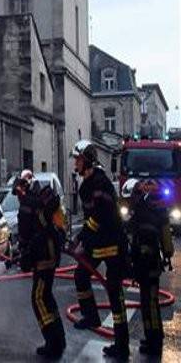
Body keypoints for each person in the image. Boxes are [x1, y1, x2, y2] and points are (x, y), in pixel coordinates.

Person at [69, 139, 130, 359]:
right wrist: (81, 238)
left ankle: (122, 345)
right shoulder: (87, 184)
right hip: (98, 243)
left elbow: (100, 217)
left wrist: (81, 238)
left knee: (115, 295)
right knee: (80, 275)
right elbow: (90, 220)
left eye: (78, 159)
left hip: (112, 244)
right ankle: (91, 316)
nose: (75, 163)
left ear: (87, 160)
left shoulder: (100, 183)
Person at [13, 169, 66, 359]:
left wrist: (24, 254)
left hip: (44, 256)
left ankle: (53, 342)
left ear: (22, 190)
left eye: (17, 193)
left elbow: (27, 236)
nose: (17, 197)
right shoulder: (39, 202)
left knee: (38, 298)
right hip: (50, 253)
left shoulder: (27, 206)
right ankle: (59, 339)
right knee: (46, 296)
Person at [127, 179, 174, 356]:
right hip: (151, 263)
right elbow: (167, 245)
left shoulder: (142, 210)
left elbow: (132, 234)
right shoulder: (160, 212)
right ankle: (153, 337)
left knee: (149, 303)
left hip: (146, 263)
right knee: (148, 302)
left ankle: (154, 340)